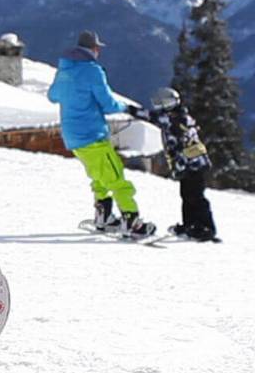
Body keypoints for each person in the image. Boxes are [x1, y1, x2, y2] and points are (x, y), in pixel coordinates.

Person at [47, 30, 156, 238]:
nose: (99, 52)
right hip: (92, 134)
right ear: (93, 49)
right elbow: (107, 104)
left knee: (98, 176)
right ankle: (131, 221)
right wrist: (128, 108)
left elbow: (53, 96)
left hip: (72, 137)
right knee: (115, 176)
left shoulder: (64, 69)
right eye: (98, 49)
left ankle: (104, 217)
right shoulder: (93, 71)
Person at [127, 88, 217, 241]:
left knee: (195, 196)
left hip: (192, 164)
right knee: (187, 195)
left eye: (159, 104)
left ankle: (206, 227)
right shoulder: (177, 116)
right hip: (189, 164)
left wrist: (130, 110)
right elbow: (155, 118)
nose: (157, 107)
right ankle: (190, 225)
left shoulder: (176, 119)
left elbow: (153, 118)